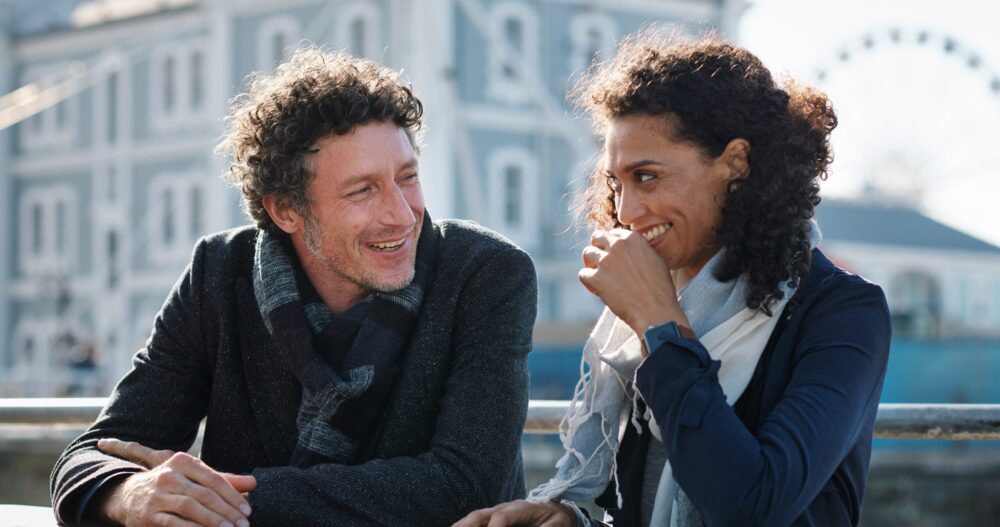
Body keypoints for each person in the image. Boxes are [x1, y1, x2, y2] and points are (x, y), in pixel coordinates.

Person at [50, 47, 538, 527]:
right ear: (285, 210)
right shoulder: (218, 272)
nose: (402, 213)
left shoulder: (487, 272)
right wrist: (129, 492)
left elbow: (467, 486)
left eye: (407, 177)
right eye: (363, 190)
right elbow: (97, 454)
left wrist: (217, 495)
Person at [455, 29, 891, 527]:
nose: (626, 210)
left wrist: (661, 323)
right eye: (615, 183)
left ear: (736, 163)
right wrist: (572, 521)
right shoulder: (648, 314)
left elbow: (752, 505)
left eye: (647, 177)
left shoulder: (842, 313)